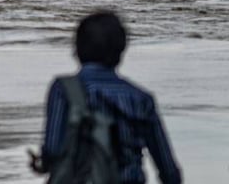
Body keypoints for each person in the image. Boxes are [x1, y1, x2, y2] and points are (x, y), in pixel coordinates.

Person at [29, 11, 182, 184]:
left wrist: (43, 163)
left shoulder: (63, 90)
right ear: (120, 51)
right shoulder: (141, 99)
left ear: (77, 50)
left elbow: (53, 150)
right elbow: (168, 169)